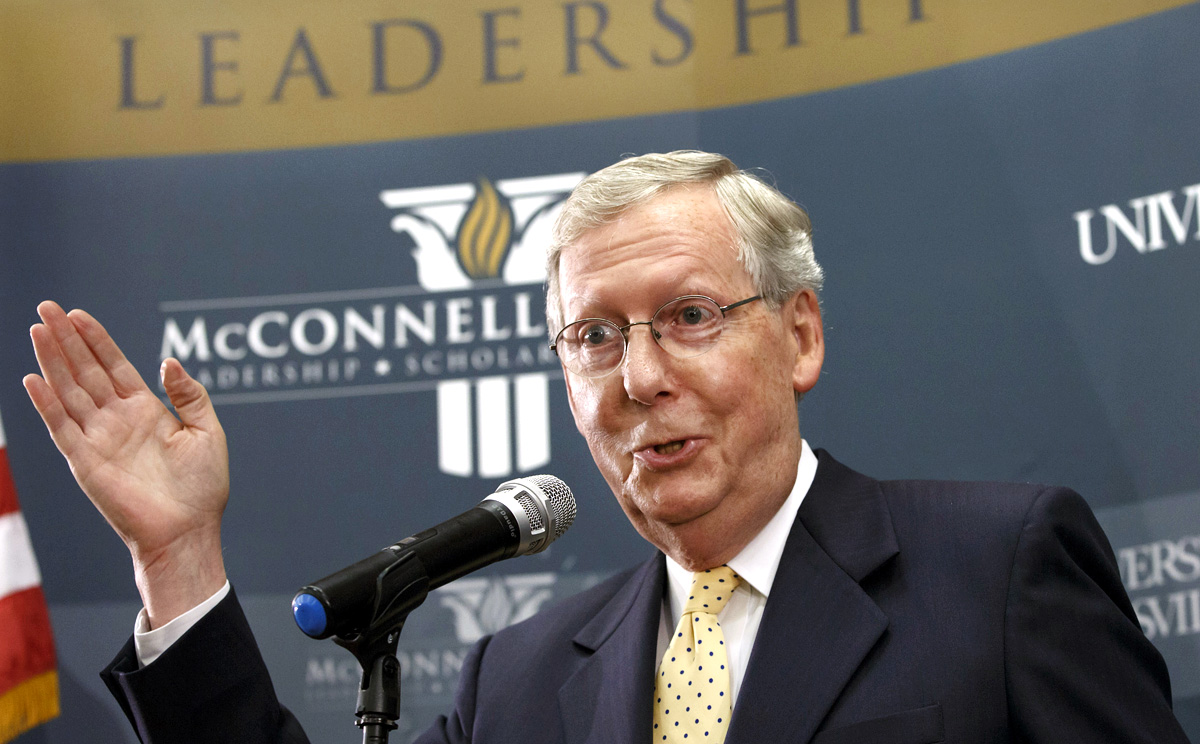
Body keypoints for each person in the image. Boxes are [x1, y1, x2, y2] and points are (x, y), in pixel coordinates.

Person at [24, 151, 1190, 744]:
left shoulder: (998, 570)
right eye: (592, 336)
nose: (639, 378)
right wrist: (177, 556)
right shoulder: (521, 681)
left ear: (799, 335)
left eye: (689, 317)